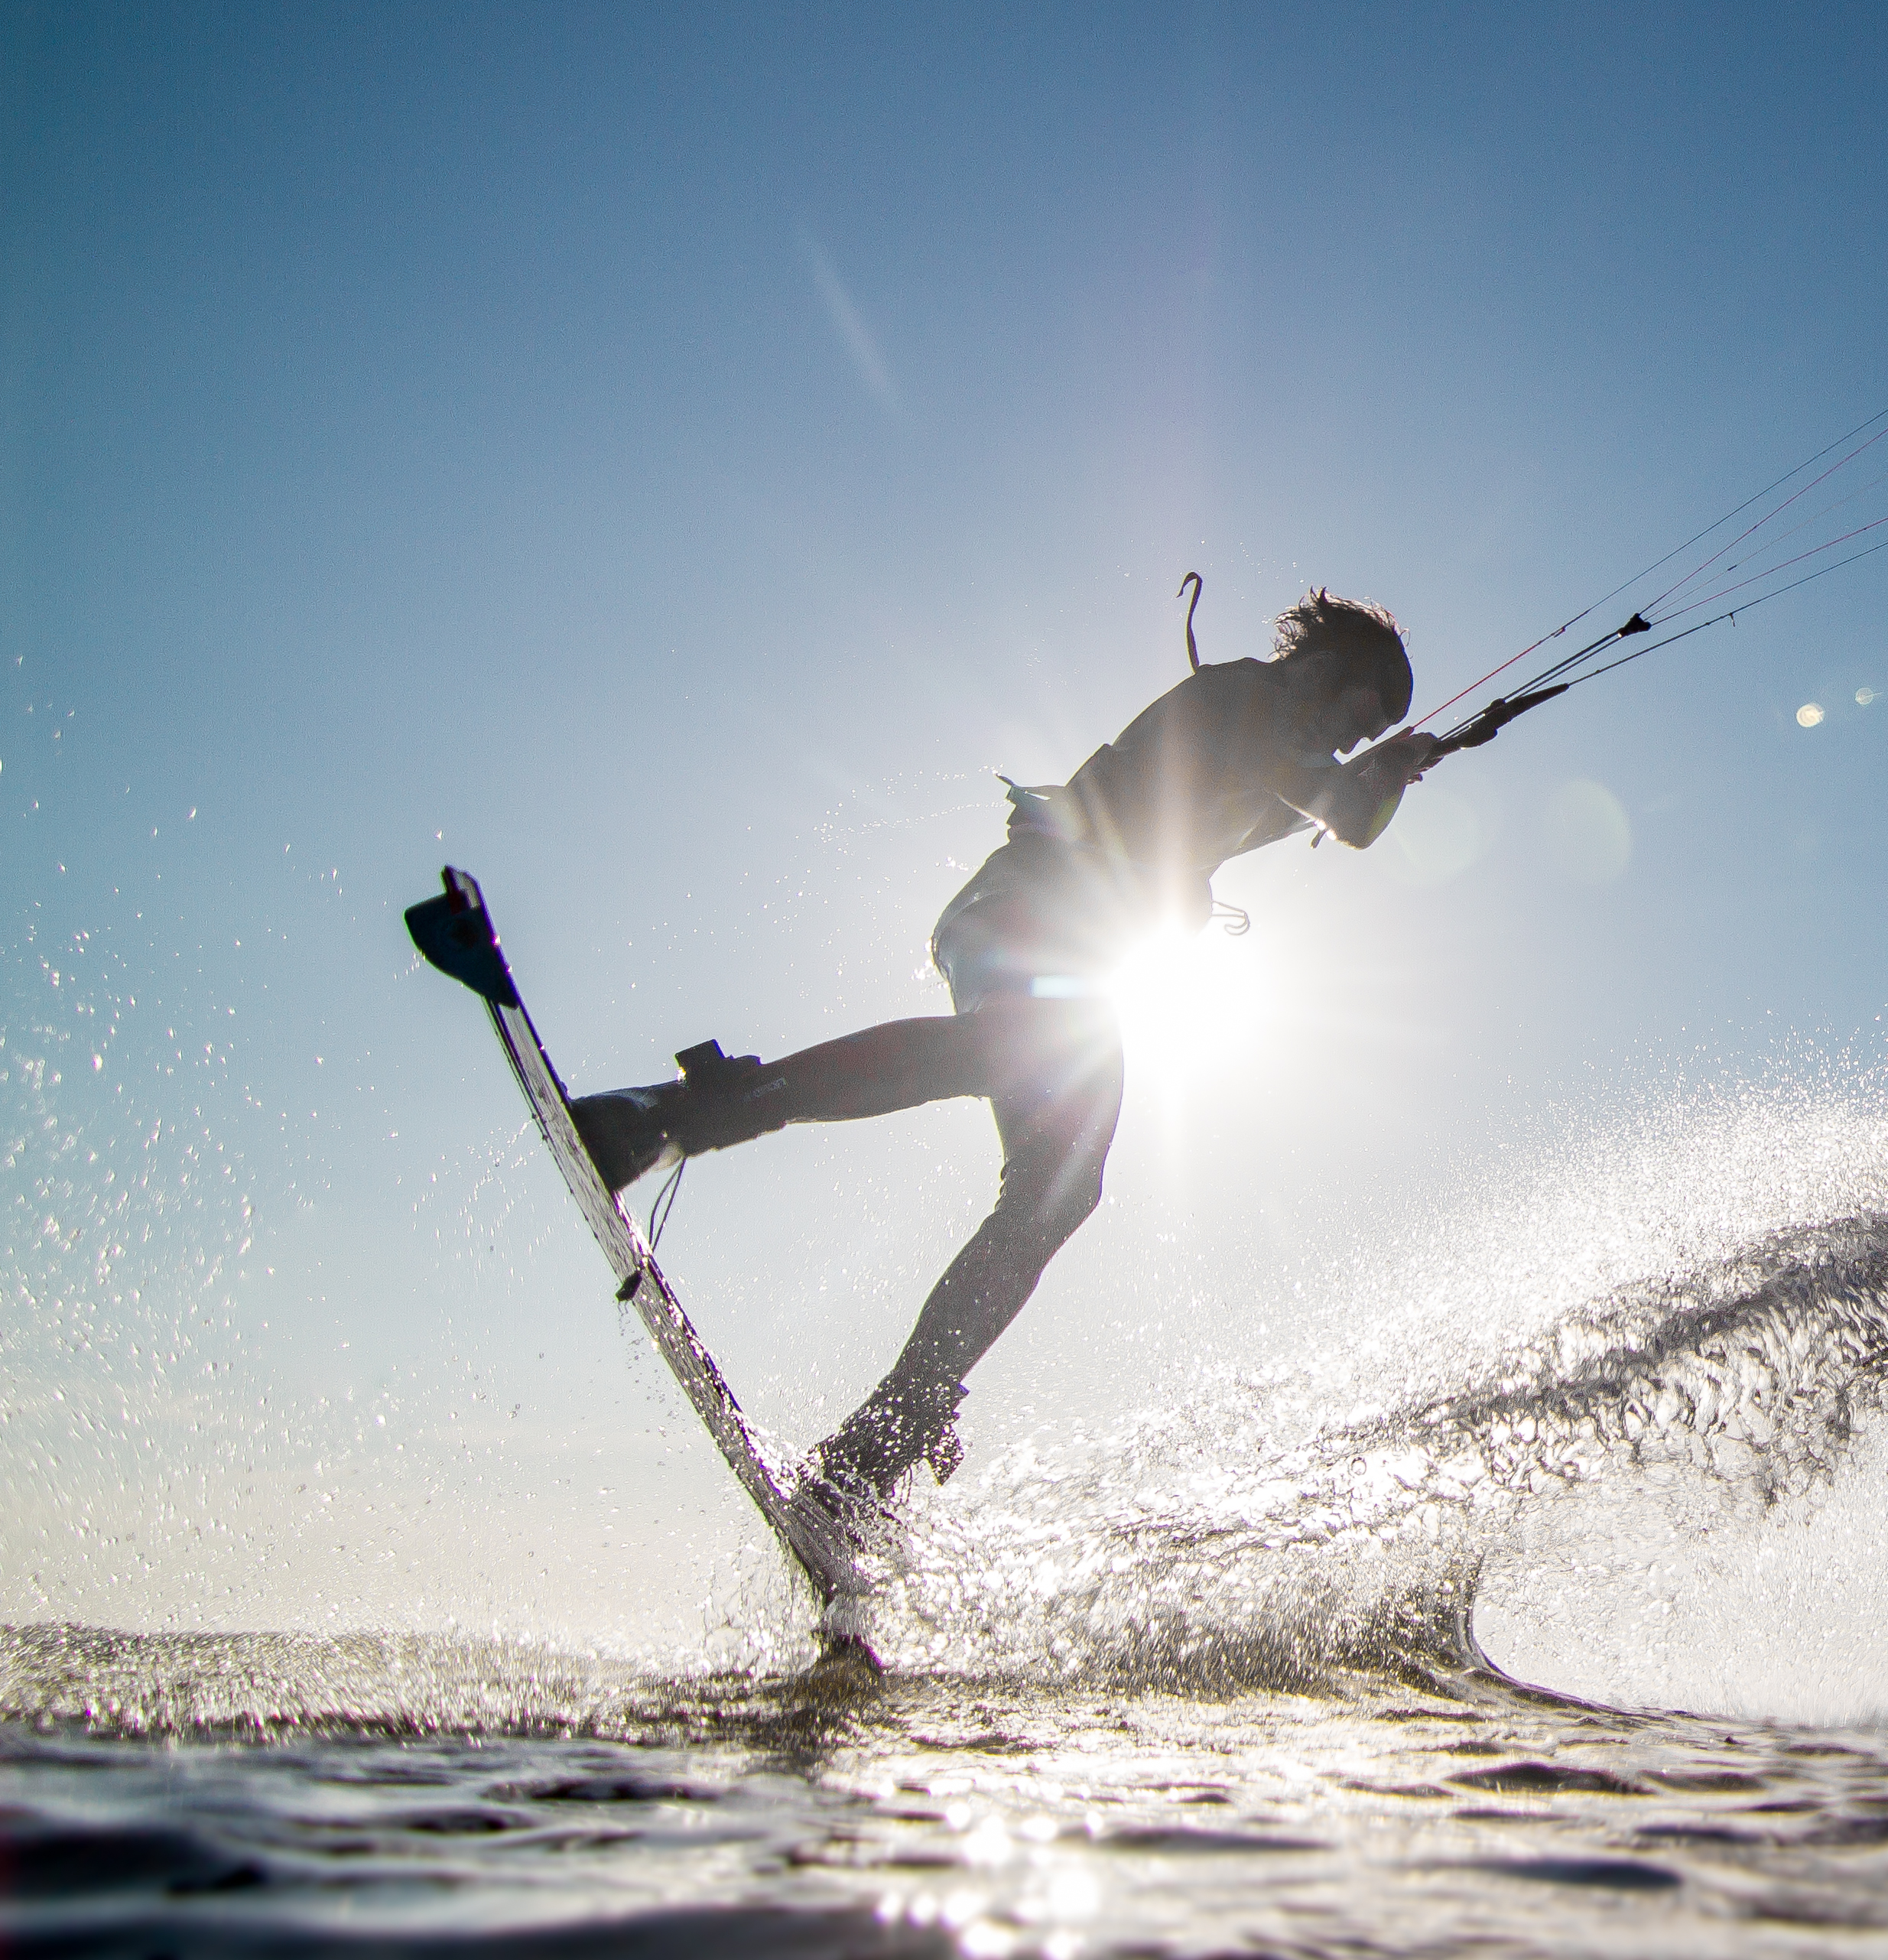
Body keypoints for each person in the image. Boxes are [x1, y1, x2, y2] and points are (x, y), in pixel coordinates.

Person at [565, 587, 1492, 1512]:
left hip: (1076, 966)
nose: (1342, 744)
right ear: (1325, 672)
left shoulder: (1280, 753)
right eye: (1352, 722)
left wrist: (1401, 761)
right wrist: (1382, 776)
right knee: (1009, 1049)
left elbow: (1323, 802)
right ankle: (673, 1115)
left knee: (1062, 1187)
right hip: (1020, 911)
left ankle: (876, 1445)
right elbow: (1345, 814)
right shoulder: (1245, 701)